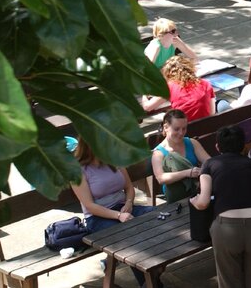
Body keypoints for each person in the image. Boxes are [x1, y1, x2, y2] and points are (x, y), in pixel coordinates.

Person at [192, 124, 251, 288]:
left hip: (227, 228)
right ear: (243, 146)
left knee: (229, 280)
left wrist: (193, 201)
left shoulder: (209, 165)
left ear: (217, 146)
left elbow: (203, 202)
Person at [71, 138, 154, 286]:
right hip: (98, 218)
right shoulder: (77, 171)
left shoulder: (114, 159)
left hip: (124, 208)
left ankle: (155, 272)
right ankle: (148, 282)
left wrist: (128, 203)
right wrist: (118, 215)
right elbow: (89, 206)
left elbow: (129, 187)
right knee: (129, 237)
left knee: (157, 218)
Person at [152, 109, 211, 202]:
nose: (181, 133)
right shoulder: (158, 153)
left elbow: (209, 162)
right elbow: (161, 178)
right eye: (176, 129)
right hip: (176, 199)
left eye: (184, 128)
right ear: (166, 127)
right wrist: (187, 173)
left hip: (198, 193)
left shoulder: (192, 143)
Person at [142, 56, 216, 121]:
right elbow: (212, 113)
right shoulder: (205, 84)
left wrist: (144, 93)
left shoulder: (170, 87)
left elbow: (147, 107)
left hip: (183, 132)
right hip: (207, 127)